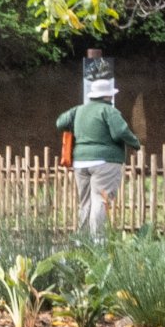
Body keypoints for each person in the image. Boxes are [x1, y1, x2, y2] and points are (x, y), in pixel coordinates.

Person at [56, 78, 136, 240]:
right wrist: (135, 142)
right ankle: (98, 239)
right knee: (100, 199)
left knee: (85, 201)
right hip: (104, 161)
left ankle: (82, 240)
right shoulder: (109, 111)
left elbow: (60, 123)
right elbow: (119, 132)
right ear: (108, 96)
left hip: (80, 162)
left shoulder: (78, 110)